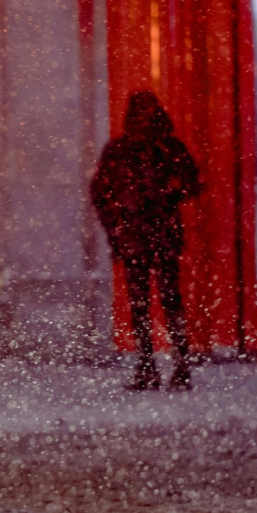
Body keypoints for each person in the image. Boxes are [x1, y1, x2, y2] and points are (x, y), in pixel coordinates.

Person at [91, 90, 202, 391]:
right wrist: (166, 197)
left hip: (142, 236)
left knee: (151, 303)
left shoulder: (129, 150)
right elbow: (100, 193)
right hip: (148, 235)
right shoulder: (160, 148)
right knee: (163, 302)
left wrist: (120, 219)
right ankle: (168, 367)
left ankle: (156, 367)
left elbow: (100, 193)